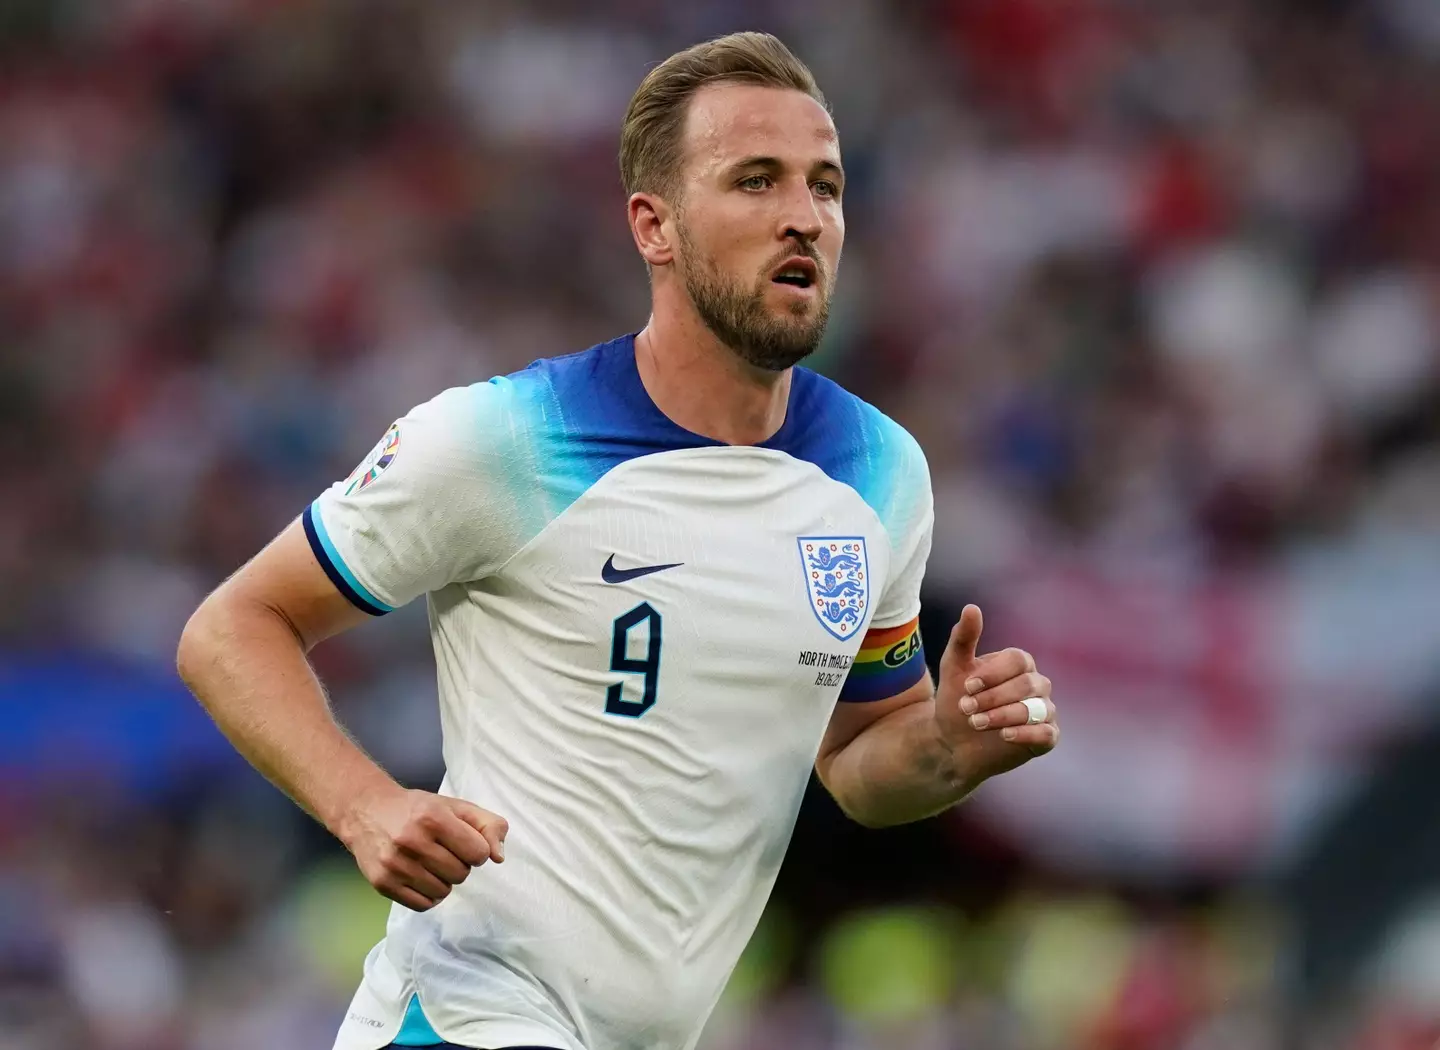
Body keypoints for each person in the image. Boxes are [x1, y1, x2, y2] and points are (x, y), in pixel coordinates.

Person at [176, 30, 1059, 1050]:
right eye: (755, 182)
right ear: (656, 227)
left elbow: (862, 759)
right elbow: (233, 624)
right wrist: (364, 806)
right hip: (467, 1014)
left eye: (825, 186)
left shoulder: (882, 472)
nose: (802, 219)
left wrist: (948, 746)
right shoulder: (503, 440)